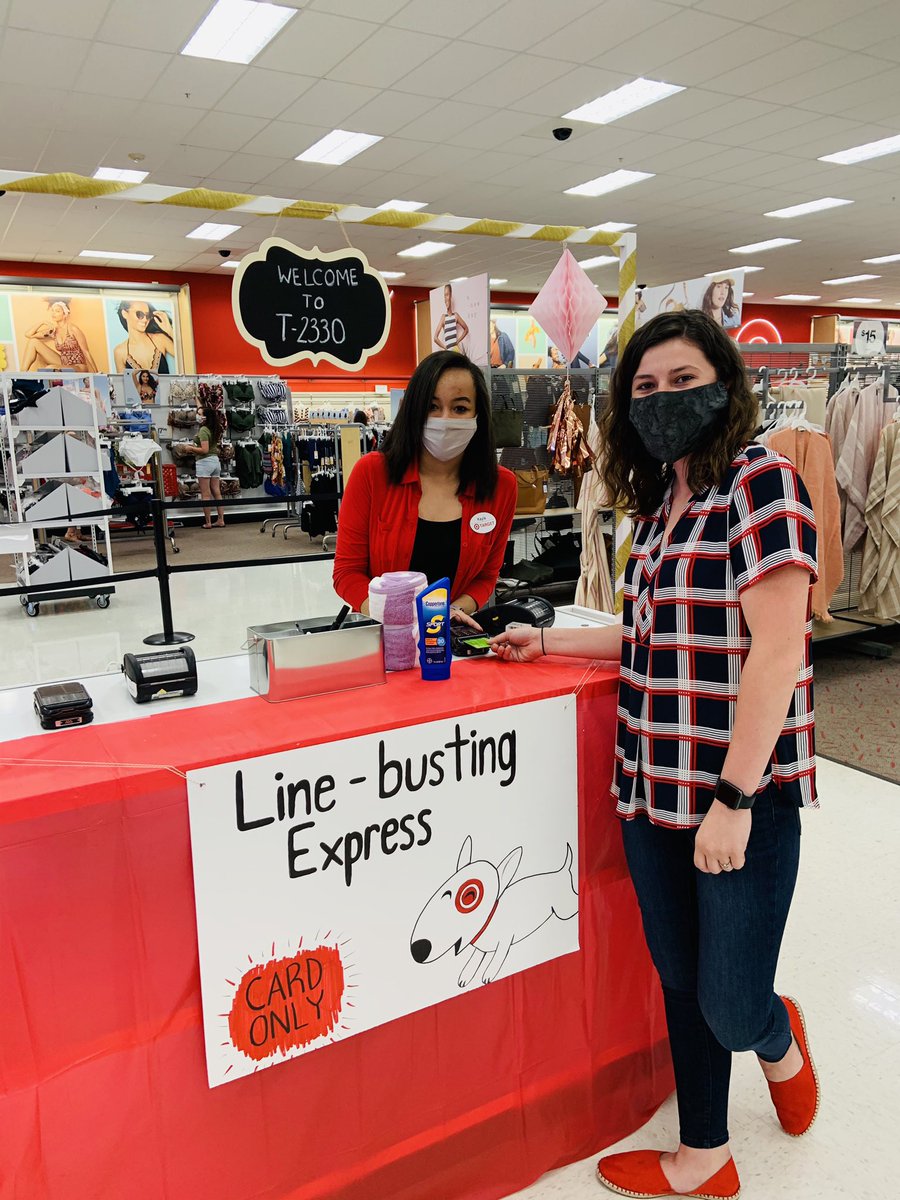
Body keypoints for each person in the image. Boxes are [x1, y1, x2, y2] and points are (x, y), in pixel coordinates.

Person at [491, 310, 820, 1200]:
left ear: (724, 387)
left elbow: (778, 651)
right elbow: (648, 639)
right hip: (650, 788)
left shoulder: (763, 484)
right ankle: (704, 1155)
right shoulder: (659, 506)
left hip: (732, 795)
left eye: (683, 381)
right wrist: (547, 641)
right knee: (678, 977)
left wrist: (735, 799)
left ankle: (776, 1033)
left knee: (728, 999)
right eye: (644, 387)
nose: (663, 400)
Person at [333, 350, 517, 624]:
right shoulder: (371, 474)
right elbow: (347, 572)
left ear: (477, 415)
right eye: (432, 406)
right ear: (414, 410)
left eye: (460, 408)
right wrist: (388, 614)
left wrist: (452, 614)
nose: (445, 419)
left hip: (450, 644)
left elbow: (486, 576)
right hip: (386, 641)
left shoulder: (501, 486)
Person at [21, 299, 98, 372]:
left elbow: (86, 351)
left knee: (49, 368)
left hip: (78, 367)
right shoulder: (53, 331)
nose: (53, 313)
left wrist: (96, 373)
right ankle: (21, 375)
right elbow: (28, 335)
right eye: (52, 311)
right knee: (33, 342)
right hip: (63, 364)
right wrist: (43, 322)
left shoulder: (73, 329)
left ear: (65, 314)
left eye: (57, 311)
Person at [182, 401, 225, 527]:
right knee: (217, 492)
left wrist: (190, 448)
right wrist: (196, 398)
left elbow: (204, 450)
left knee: (205, 494)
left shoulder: (203, 430)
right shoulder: (214, 428)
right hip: (215, 462)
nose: (197, 415)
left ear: (205, 417)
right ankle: (221, 519)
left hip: (204, 462)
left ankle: (208, 522)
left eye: (199, 414)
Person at [113, 301, 175, 373]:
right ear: (125, 314)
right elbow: (121, 383)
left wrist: (170, 331)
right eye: (139, 314)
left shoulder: (160, 339)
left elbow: (186, 357)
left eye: (148, 315)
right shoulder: (120, 352)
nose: (145, 319)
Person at [433, 284, 469, 353]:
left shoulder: (456, 316)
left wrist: (458, 341)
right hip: (448, 352)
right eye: (444, 295)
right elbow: (435, 338)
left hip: (456, 351)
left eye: (447, 295)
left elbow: (466, 329)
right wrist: (445, 347)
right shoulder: (443, 317)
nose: (446, 298)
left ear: (451, 296)